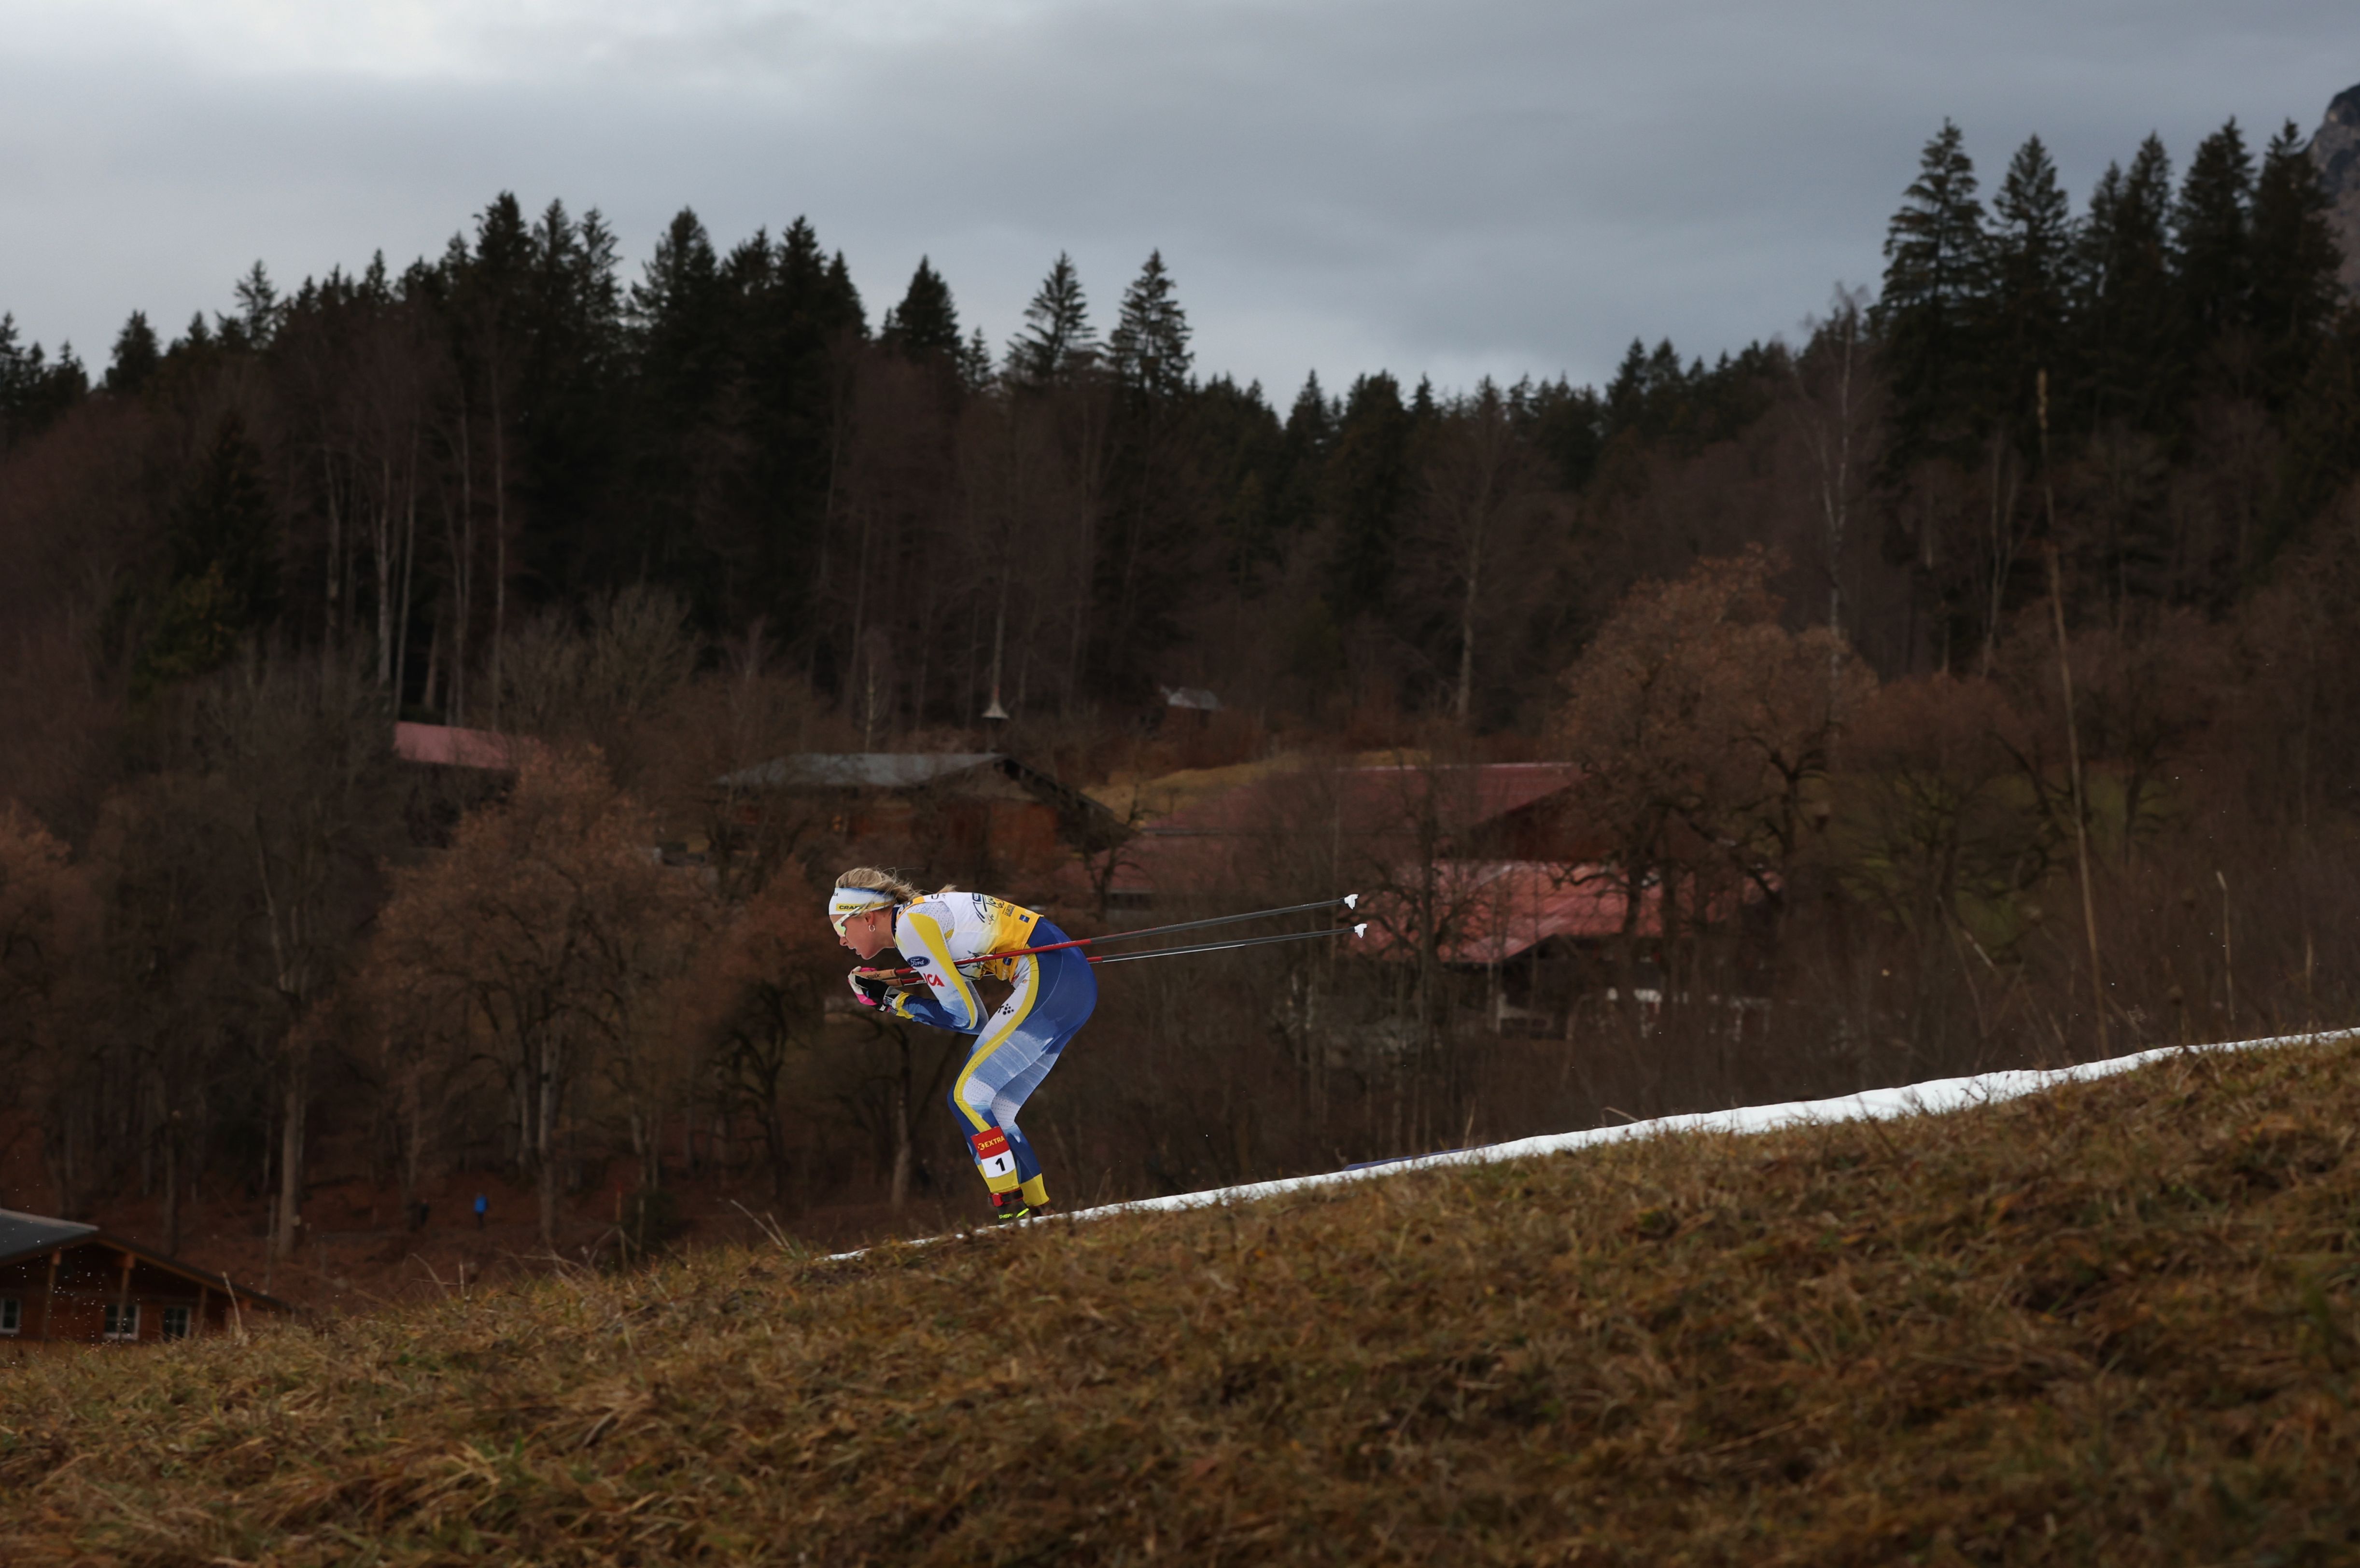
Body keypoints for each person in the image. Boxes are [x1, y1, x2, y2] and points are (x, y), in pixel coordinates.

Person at [830, 867, 1096, 1223]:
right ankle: (1041, 1213)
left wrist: (894, 1002)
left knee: (967, 1097)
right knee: (997, 1111)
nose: (841, 940)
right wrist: (892, 995)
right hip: (1069, 986)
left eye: (840, 927)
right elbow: (974, 1017)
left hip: (1051, 982)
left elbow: (968, 1019)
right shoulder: (918, 919)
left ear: (867, 917)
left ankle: (1009, 1210)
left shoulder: (911, 928)